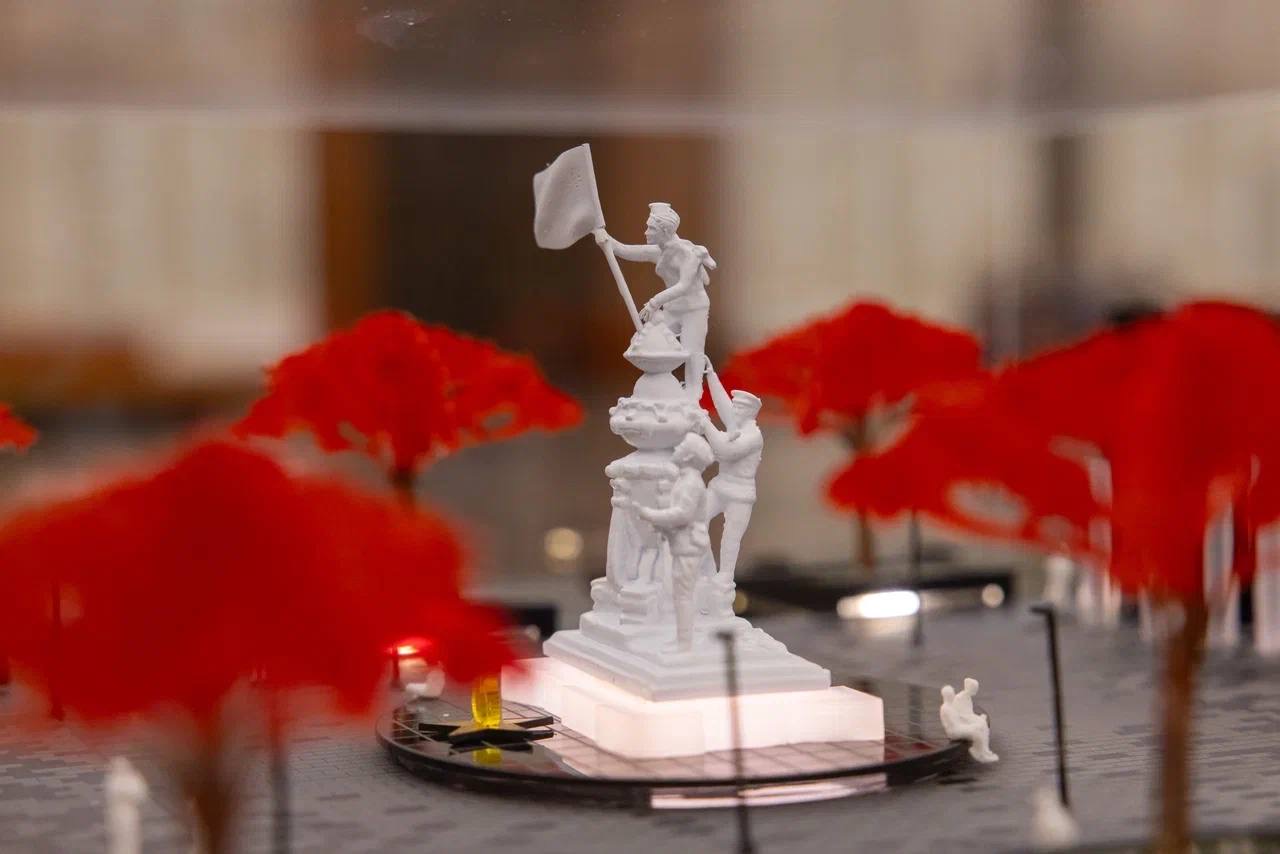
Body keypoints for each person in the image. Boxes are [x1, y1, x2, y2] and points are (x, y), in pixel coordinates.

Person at [596, 203, 715, 399]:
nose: (646, 232)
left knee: (692, 352)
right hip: (672, 309)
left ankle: (693, 395)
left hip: (694, 309)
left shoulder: (688, 254)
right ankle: (659, 388)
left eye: (650, 228)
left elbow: (684, 286)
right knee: (653, 339)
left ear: (665, 231)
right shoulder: (657, 251)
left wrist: (654, 302)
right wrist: (603, 236)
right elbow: (624, 250)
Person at [623, 433, 714, 651]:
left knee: (683, 596)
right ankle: (683, 640)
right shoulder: (685, 479)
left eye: (682, 446)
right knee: (680, 595)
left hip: (689, 546)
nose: (677, 448)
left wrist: (651, 515)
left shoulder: (691, 483)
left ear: (689, 455)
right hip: (682, 544)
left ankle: (685, 644)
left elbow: (682, 514)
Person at [698, 375, 763, 585]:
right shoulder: (738, 423)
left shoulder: (753, 435)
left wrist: (705, 424)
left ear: (748, 413)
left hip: (740, 494)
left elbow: (725, 451)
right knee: (696, 519)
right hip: (720, 486)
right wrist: (710, 375)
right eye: (734, 408)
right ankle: (703, 566)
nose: (732, 411)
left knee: (731, 538)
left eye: (737, 409)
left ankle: (725, 575)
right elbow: (722, 403)